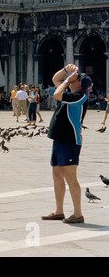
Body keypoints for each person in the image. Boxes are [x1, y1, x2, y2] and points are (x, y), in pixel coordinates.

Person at [42, 64, 92, 224]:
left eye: (75, 79)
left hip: (70, 141)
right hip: (59, 140)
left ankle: (78, 214)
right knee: (56, 175)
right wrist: (66, 70)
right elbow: (55, 79)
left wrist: (67, 80)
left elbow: (56, 94)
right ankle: (59, 211)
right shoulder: (70, 93)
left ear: (78, 84)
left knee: (71, 177)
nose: (71, 80)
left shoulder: (78, 97)